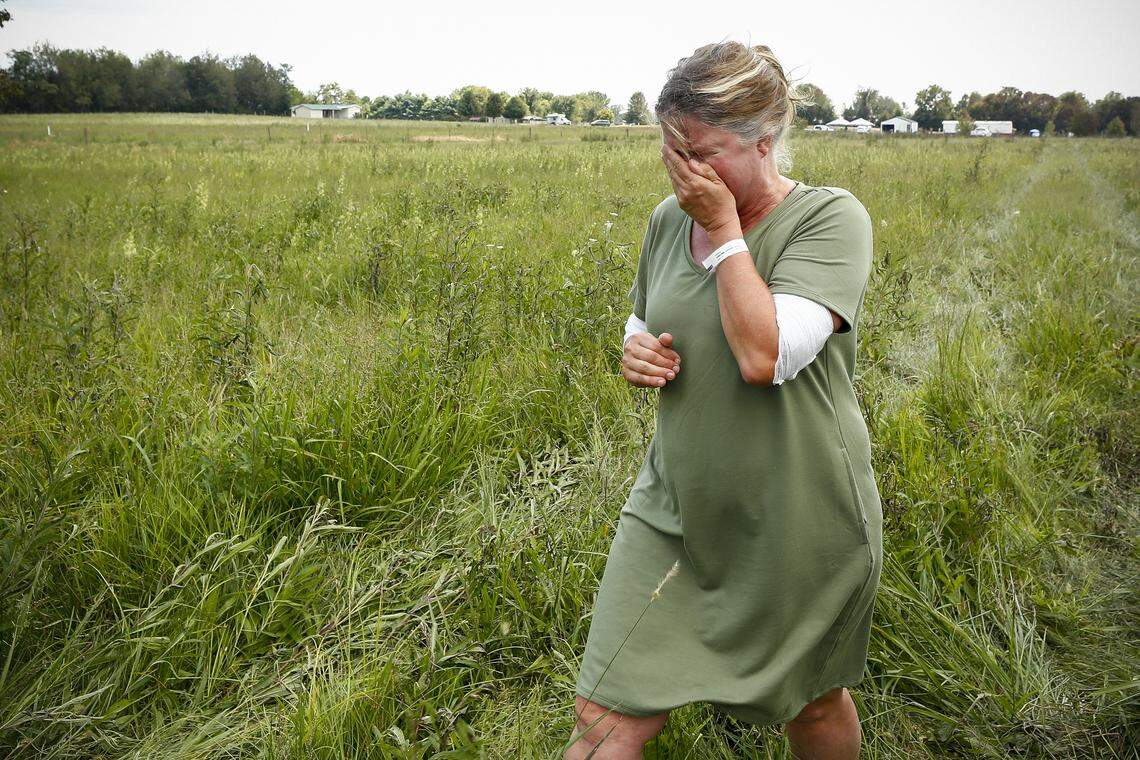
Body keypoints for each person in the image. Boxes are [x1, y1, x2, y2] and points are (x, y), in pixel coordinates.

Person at [566, 41, 883, 760]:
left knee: (810, 700)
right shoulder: (667, 219)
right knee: (603, 713)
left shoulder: (830, 220)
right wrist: (636, 351)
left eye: (702, 152)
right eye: (672, 151)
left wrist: (726, 231)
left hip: (797, 522)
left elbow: (762, 355)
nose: (685, 173)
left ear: (763, 143)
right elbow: (648, 319)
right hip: (674, 507)